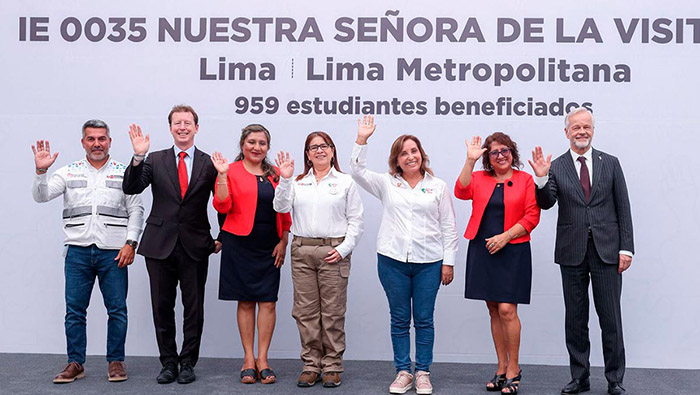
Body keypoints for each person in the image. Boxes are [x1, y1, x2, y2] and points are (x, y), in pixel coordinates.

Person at [350, 115, 458, 395]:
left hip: (429, 263)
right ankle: (403, 372)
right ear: (396, 160)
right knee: (399, 319)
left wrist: (449, 262)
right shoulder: (387, 183)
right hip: (392, 262)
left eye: (414, 151)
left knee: (424, 319)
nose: (410, 157)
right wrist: (362, 139)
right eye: (403, 153)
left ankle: (422, 372)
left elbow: (449, 226)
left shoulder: (438, 186)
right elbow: (357, 171)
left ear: (422, 155)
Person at [528, 107, 634, 395]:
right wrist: (540, 179)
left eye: (586, 127)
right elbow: (547, 202)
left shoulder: (610, 163)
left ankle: (615, 380)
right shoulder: (557, 166)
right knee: (575, 319)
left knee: (611, 318)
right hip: (571, 251)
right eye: (576, 127)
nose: (582, 131)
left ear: (593, 130)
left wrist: (627, 249)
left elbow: (623, 208)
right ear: (567, 132)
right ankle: (580, 377)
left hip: (608, 252)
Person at [32, 120, 144, 383]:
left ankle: (116, 362)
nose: (97, 144)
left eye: (102, 139)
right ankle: (75, 363)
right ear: (83, 142)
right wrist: (40, 171)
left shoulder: (123, 172)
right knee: (74, 311)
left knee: (117, 309)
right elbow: (41, 196)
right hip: (78, 252)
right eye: (91, 139)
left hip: (114, 252)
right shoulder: (68, 172)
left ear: (110, 142)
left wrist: (131, 242)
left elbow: (137, 210)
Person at [122, 105, 222, 385]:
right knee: (161, 307)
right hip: (159, 244)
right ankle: (168, 362)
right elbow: (131, 187)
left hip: (195, 245)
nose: (182, 127)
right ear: (170, 128)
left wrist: (222, 236)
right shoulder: (153, 159)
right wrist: (138, 155)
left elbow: (223, 202)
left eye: (187, 123)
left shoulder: (208, 162)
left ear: (196, 128)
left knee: (194, 308)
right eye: (177, 123)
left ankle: (188, 362)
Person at [273, 131, 364, 388]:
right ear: (308, 155)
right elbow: (280, 208)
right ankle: (311, 364)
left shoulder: (345, 182)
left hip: (333, 251)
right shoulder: (298, 182)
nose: (319, 150)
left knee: (333, 312)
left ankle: (333, 366)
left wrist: (344, 249)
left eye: (324, 146)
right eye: (313, 147)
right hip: (302, 251)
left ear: (333, 151)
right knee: (306, 313)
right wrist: (285, 179)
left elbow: (356, 221)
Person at [454, 133, 540, 395]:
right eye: (494, 152)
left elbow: (532, 215)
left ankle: (514, 368)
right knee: (493, 308)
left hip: (512, 248)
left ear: (512, 153)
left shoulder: (524, 179)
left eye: (505, 151)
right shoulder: (479, 178)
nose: (500, 155)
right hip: (483, 248)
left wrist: (506, 236)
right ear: (487, 157)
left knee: (506, 310)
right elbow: (461, 191)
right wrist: (469, 161)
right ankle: (501, 367)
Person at [210, 124, 291, 385]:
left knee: (268, 301)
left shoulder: (276, 173)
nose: (257, 147)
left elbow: (286, 211)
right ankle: (248, 359)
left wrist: (284, 241)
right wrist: (222, 175)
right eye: (252, 142)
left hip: (269, 244)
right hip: (239, 243)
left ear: (268, 147)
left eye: (262, 143)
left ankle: (263, 360)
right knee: (245, 301)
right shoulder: (229, 170)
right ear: (242, 144)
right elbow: (222, 204)